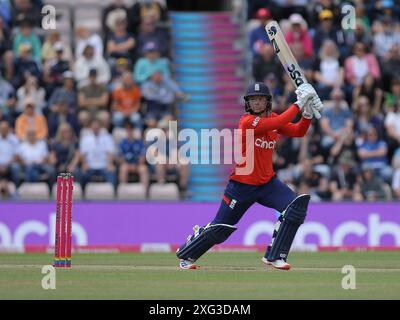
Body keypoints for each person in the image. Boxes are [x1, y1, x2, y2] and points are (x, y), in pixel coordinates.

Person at [176, 82, 323, 270]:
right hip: (242, 186)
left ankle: (275, 256)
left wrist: (307, 114)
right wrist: (298, 104)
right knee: (221, 229)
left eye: (261, 99)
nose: (257, 103)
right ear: (248, 103)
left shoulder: (273, 118)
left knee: (296, 207)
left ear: (267, 101)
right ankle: (187, 254)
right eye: (253, 100)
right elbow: (278, 123)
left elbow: (298, 131)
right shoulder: (247, 122)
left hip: (267, 184)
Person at [118, 121, 149, 189]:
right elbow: (121, 158)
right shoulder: (122, 143)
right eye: (128, 130)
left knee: (143, 169)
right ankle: (123, 191)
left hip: (138, 165)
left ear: (133, 131)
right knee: (123, 168)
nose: (129, 132)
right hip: (127, 164)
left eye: (131, 130)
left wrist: (136, 165)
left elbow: (143, 157)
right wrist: (129, 165)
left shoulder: (140, 143)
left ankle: (144, 192)